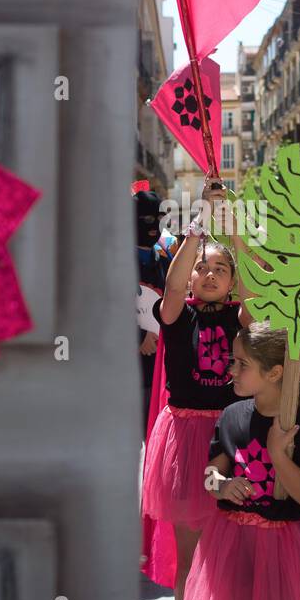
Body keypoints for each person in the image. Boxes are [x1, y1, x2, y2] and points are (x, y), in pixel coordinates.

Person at [180, 322, 300, 600]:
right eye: (232, 361)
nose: (232, 370)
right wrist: (222, 486)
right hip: (239, 546)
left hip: (288, 549)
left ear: (274, 373)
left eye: (242, 364)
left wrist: (277, 455)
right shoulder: (230, 417)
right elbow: (211, 474)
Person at [140, 176, 252, 600]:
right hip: (184, 441)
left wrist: (229, 228)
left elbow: (253, 290)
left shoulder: (239, 319)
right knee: (188, 557)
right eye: (202, 269)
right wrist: (199, 225)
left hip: (228, 444)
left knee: (226, 559)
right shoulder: (176, 313)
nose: (209, 275)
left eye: (220, 270)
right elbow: (172, 283)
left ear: (229, 281)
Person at [135, 184, 175, 435]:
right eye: (147, 219)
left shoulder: (165, 261)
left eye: (159, 219)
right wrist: (138, 337)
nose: (154, 225)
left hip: (161, 368)